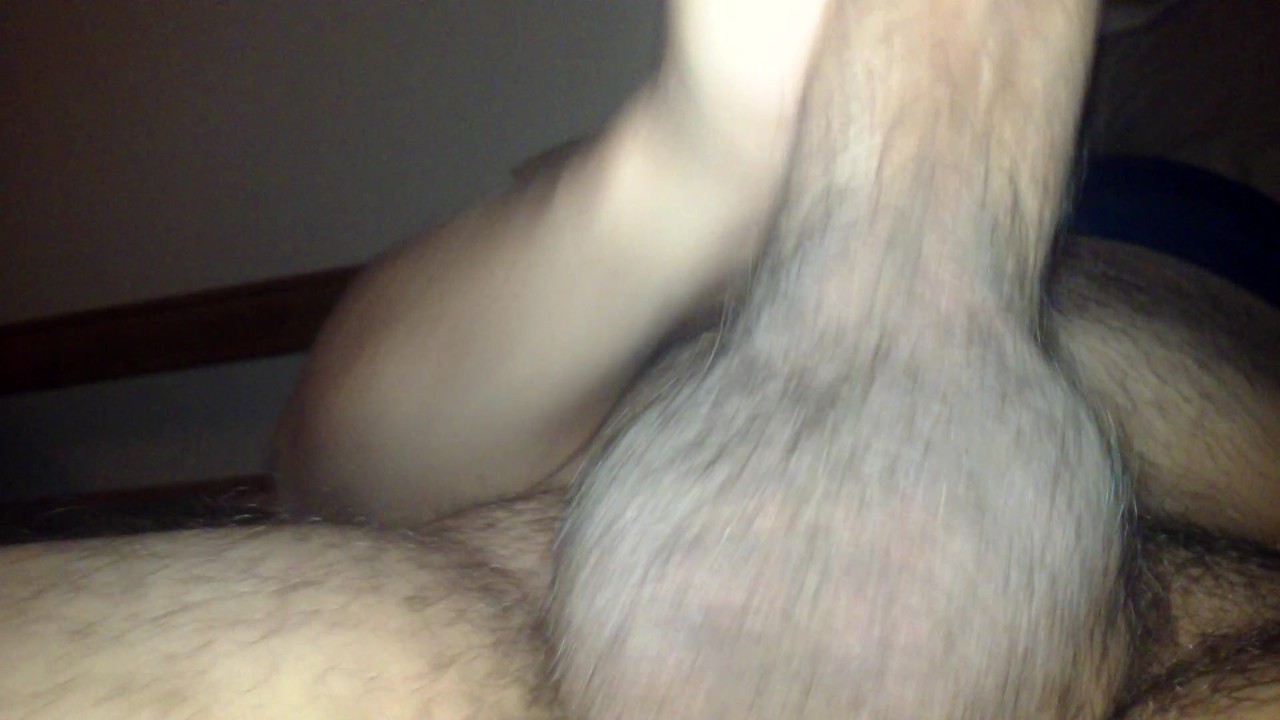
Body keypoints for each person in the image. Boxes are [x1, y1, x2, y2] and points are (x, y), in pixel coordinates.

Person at [1, 0, 1277, 717]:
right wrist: (695, 155)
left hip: (572, 567)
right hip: (629, 494)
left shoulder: (1209, 109)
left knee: (427, 624)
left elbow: (331, 496)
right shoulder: (668, 254)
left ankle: (909, 236)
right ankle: (892, 216)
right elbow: (330, 469)